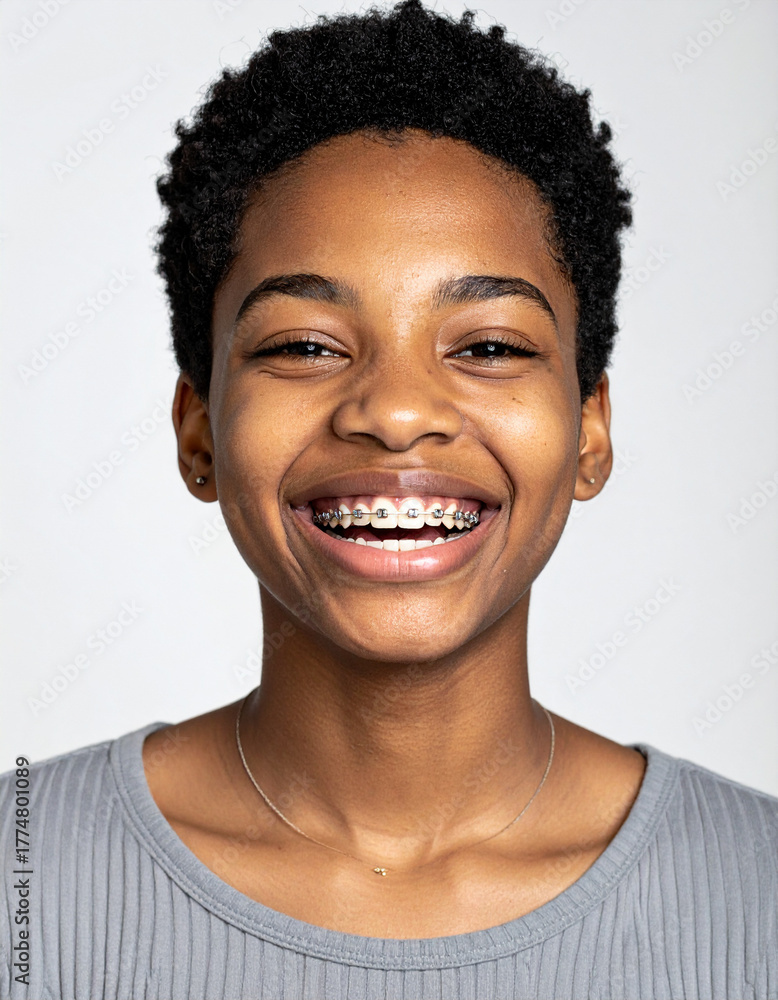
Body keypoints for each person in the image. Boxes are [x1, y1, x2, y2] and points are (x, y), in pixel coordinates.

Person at [2, 1, 776, 997]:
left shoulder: (753, 898)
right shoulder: (27, 887)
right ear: (198, 430)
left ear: (589, 428)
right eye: (303, 346)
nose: (398, 411)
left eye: (490, 346)